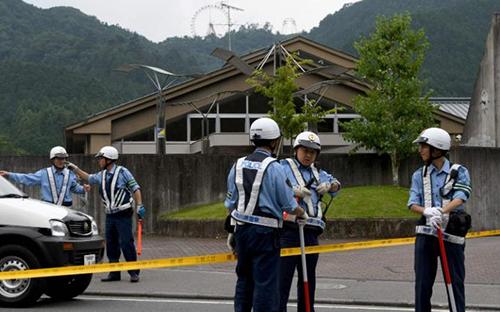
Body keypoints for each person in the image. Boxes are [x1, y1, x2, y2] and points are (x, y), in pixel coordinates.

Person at [224, 117, 305, 312]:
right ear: (274, 141)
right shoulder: (275, 167)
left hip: (242, 231)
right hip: (267, 233)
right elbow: (288, 204)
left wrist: (234, 229)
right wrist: (302, 212)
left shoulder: (238, 165)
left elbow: (231, 203)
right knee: (266, 284)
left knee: (244, 279)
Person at [408, 127, 472, 312]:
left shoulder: (459, 171)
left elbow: (461, 196)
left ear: (436, 148)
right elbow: (412, 203)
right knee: (422, 285)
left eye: (424, 146)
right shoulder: (418, 175)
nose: (420, 150)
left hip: (451, 236)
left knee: (455, 283)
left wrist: (442, 211)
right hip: (426, 237)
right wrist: (427, 211)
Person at [279, 131, 340, 312]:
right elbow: (273, 184)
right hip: (289, 230)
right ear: (296, 150)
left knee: (308, 279)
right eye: (304, 150)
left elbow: (337, 185)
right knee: (283, 278)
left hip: (311, 232)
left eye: (312, 152)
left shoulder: (319, 173)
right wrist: (291, 191)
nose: (308, 155)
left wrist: (330, 186)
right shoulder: (283, 166)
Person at [66, 146, 145, 283]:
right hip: (110, 215)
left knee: (126, 243)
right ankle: (114, 273)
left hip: (124, 213)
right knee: (111, 244)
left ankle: (133, 272)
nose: (99, 161)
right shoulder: (101, 175)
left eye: (101, 159)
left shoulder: (123, 172)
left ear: (109, 160)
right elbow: (89, 178)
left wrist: (139, 205)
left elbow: (135, 188)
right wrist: (75, 168)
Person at [0, 146, 90, 207]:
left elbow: (74, 188)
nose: (61, 160)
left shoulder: (70, 174)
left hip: (67, 208)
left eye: (63, 158)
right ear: (52, 159)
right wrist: (9, 174)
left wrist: (83, 189)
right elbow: (27, 178)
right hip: (48, 207)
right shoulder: (44, 173)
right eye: (58, 158)